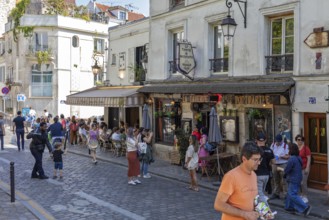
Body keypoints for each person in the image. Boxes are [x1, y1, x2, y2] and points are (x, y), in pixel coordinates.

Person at [214, 142, 261, 220]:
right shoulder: (231, 176)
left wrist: (262, 211)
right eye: (255, 160)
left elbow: (251, 201)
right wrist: (244, 214)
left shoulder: (254, 175)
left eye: (259, 159)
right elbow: (218, 204)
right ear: (244, 159)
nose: (259, 163)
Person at [284, 143, 312, 216]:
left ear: (291, 150)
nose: (287, 150)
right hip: (298, 177)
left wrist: (283, 172)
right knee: (291, 193)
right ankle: (289, 207)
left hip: (293, 178)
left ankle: (305, 207)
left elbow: (287, 170)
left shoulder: (292, 158)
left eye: (288, 149)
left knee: (292, 194)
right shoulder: (298, 157)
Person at [254, 133, 275, 205]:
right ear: (265, 140)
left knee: (260, 194)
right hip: (266, 174)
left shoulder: (255, 150)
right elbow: (273, 162)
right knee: (260, 192)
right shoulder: (269, 150)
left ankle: (267, 211)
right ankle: (259, 209)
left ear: (256, 140)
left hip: (258, 174)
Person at [269, 134, 289, 200]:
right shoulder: (273, 145)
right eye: (277, 142)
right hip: (275, 164)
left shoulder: (285, 146)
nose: (278, 143)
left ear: (281, 141)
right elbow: (270, 153)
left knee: (284, 180)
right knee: (275, 179)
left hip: (283, 164)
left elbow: (288, 156)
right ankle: (276, 193)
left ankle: (285, 194)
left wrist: (281, 156)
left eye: (279, 142)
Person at [295, 134, 311, 202]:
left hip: (304, 168)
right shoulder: (296, 148)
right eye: (298, 140)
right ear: (296, 140)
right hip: (298, 168)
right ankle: (301, 194)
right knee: (299, 182)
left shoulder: (305, 148)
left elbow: (309, 158)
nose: (300, 141)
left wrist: (307, 167)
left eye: (301, 140)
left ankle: (305, 196)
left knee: (303, 182)